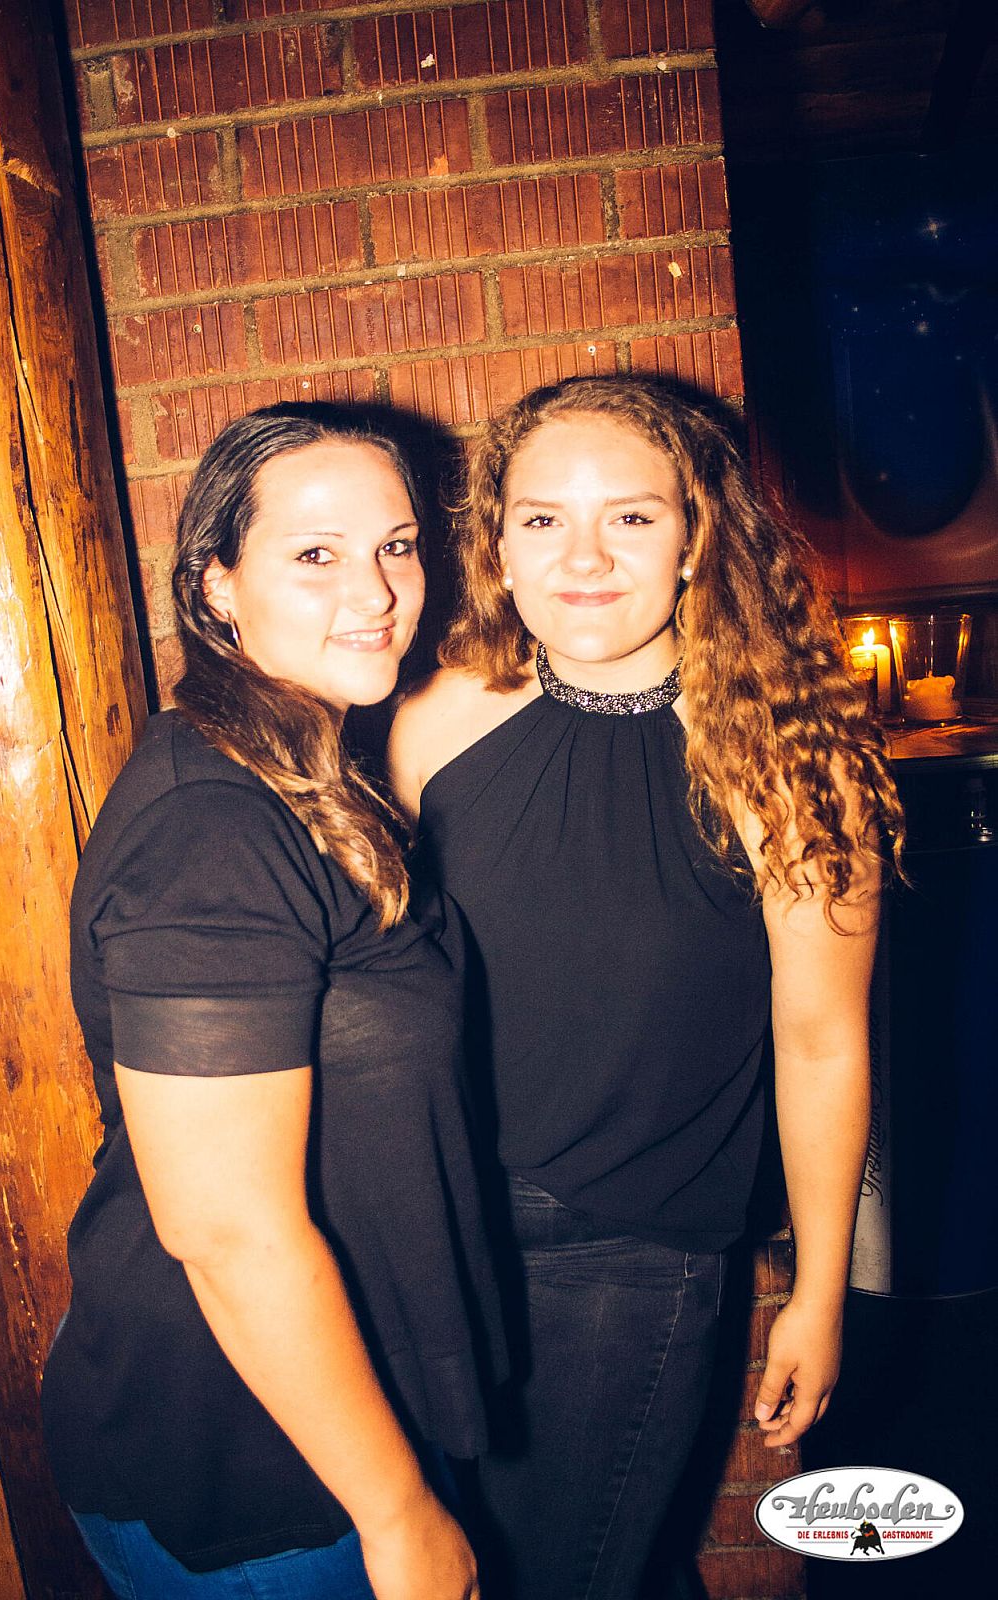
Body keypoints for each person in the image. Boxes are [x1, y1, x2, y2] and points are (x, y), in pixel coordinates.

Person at [387, 375, 905, 1600]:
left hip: (626, 1254)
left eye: (628, 517)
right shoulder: (433, 723)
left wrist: (819, 1291)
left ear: (693, 538)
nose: (583, 558)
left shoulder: (789, 762)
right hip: (433, 1225)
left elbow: (821, 1043)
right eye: (542, 519)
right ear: (497, 545)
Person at [41, 405, 505, 1600]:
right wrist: (395, 1510)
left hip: (312, 1422)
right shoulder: (213, 825)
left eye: (396, 545)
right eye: (315, 554)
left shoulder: (300, 773)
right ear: (217, 585)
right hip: (253, 1466)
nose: (376, 591)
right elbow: (228, 1229)